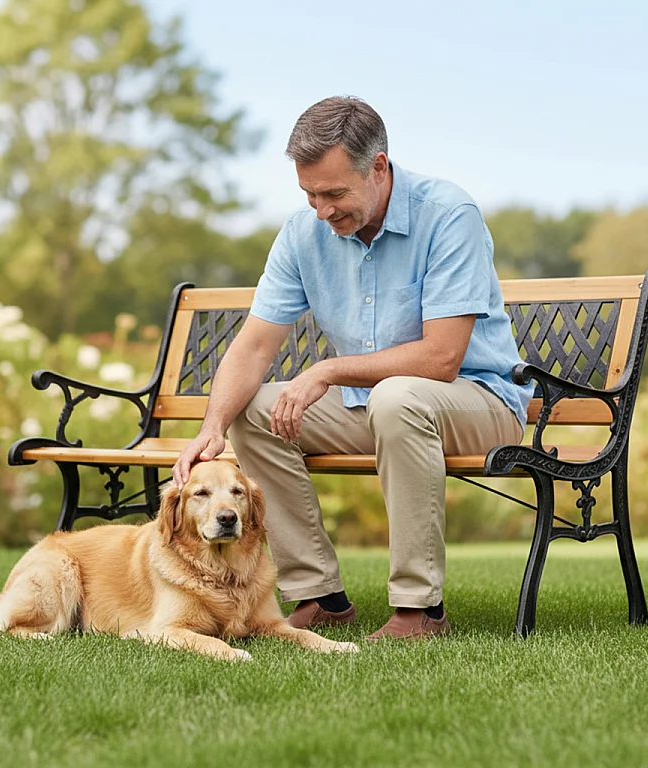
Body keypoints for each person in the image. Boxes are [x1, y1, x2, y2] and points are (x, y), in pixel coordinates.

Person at [172, 95, 533, 641]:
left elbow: (441, 357)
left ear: (379, 168)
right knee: (254, 411)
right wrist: (212, 428)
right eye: (309, 194)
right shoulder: (302, 233)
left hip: (476, 399)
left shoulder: (448, 216)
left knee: (398, 399)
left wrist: (328, 371)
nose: (321, 210)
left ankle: (419, 609)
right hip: (380, 407)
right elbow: (252, 348)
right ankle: (319, 595)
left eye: (335, 193)